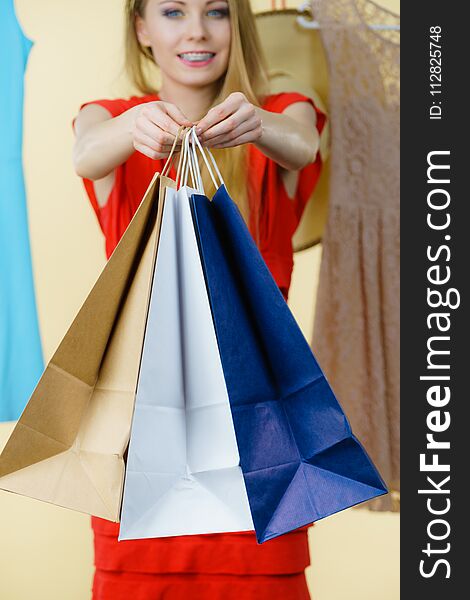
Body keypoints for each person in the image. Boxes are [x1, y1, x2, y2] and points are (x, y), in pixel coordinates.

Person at [72, 1, 326, 598]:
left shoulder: (282, 113)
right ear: (141, 28)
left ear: (238, 25)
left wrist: (256, 124)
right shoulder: (108, 117)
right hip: (141, 450)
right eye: (172, 10)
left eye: (215, 11)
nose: (195, 31)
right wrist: (134, 129)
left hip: (259, 446)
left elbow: (303, 143)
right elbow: (85, 152)